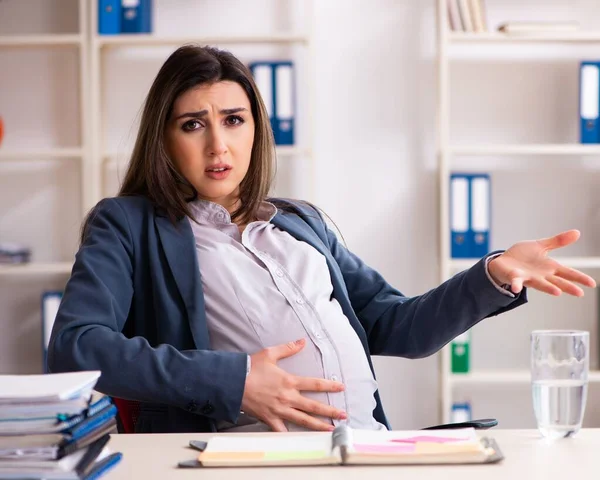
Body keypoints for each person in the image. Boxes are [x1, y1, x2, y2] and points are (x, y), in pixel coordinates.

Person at [48, 45, 597, 434]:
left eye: (234, 120)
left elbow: (396, 325)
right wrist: (233, 381)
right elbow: (75, 346)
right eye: (193, 124)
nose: (219, 143)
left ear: (256, 129)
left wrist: (493, 274)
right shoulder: (127, 224)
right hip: (241, 458)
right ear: (163, 139)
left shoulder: (299, 221)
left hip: (368, 448)